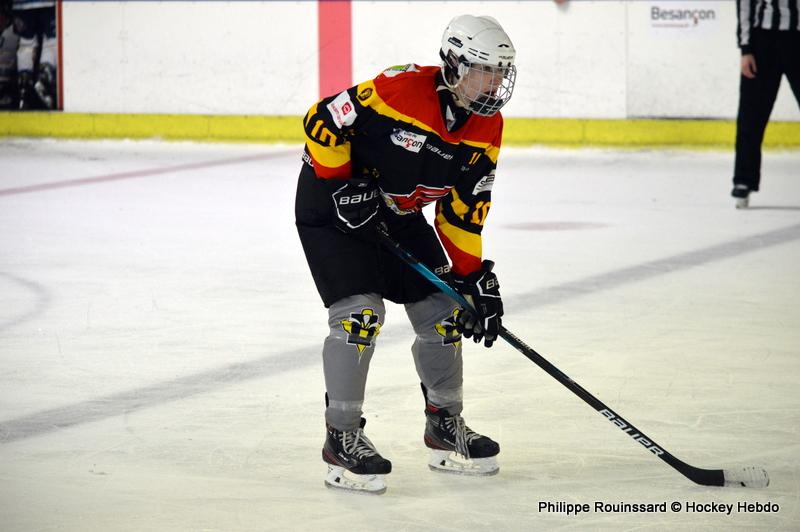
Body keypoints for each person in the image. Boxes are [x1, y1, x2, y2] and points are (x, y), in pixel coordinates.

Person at [295, 14, 516, 494]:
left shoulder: (488, 126)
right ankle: (342, 438)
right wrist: (339, 184)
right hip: (330, 208)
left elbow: (462, 212)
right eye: (484, 70)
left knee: (446, 310)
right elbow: (322, 119)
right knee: (360, 315)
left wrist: (471, 279)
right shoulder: (401, 91)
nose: (494, 82)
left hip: (396, 212)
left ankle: (444, 426)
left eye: (501, 72)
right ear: (454, 65)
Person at [732, 0, 800, 208]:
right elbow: (744, 4)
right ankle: (744, 180)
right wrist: (746, 49)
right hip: (764, 42)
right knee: (751, 115)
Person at [12, 0, 57, 109]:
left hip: (21, 4)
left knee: (26, 43)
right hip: (48, 4)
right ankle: (44, 79)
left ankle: (24, 86)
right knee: (51, 42)